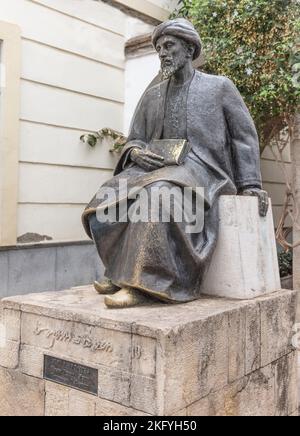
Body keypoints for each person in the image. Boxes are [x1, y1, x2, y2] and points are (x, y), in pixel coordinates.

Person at [82, 18, 268, 309]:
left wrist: (251, 184)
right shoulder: (153, 94)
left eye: (169, 46)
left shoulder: (219, 87)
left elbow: (243, 137)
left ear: (189, 47)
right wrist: (134, 154)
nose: (163, 53)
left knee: (159, 194)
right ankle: (119, 272)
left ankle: (146, 283)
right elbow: (136, 138)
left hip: (205, 169)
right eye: (158, 49)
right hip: (157, 166)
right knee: (107, 196)